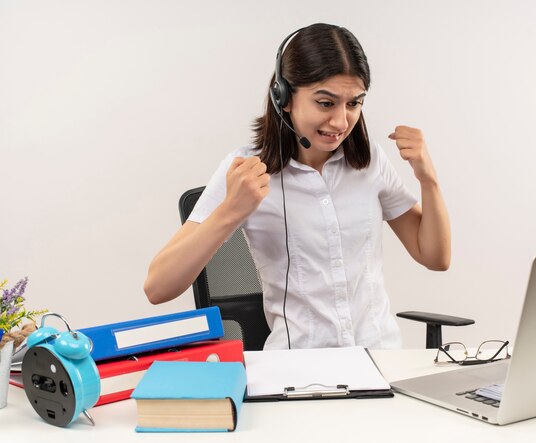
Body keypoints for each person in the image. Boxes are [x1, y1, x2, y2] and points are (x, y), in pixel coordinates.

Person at [144, 23, 450, 350]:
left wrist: (428, 179)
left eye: (353, 103)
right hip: (299, 371)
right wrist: (231, 212)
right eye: (325, 103)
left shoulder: (368, 160)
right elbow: (157, 287)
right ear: (284, 97)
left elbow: (434, 256)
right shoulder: (246, 169)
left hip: (381, 358)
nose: (341, 122)